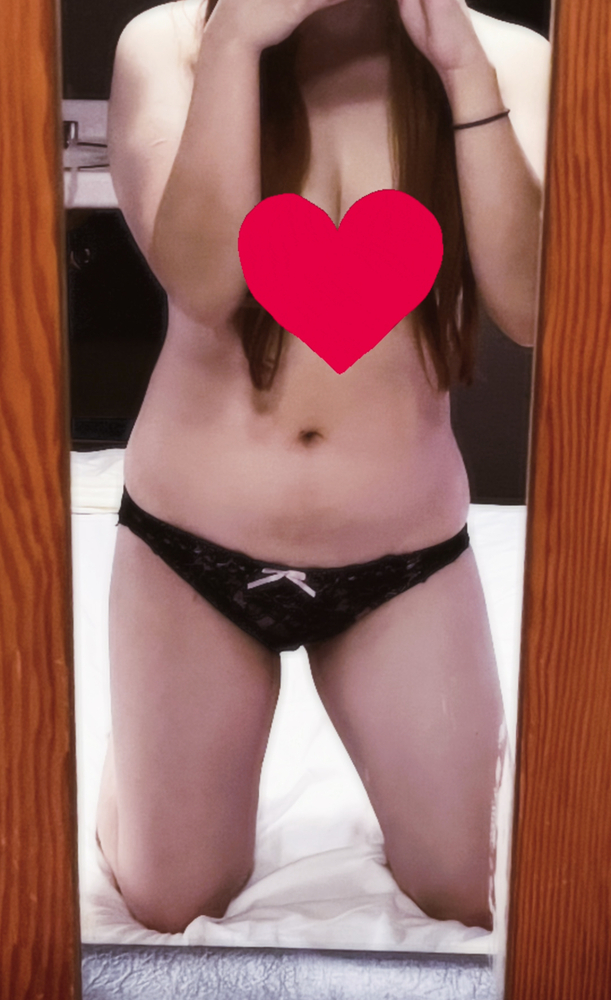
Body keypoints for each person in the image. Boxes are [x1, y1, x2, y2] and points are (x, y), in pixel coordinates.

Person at [96, 0, 550, 934]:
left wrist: (463, 73)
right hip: (190, 547)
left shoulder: (512, 57)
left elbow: (532, 307)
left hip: (402, 560)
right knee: (172, 902)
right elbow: (202, 284)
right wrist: (237, 43)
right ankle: (136, 769)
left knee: (469, 892)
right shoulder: (170, 43)